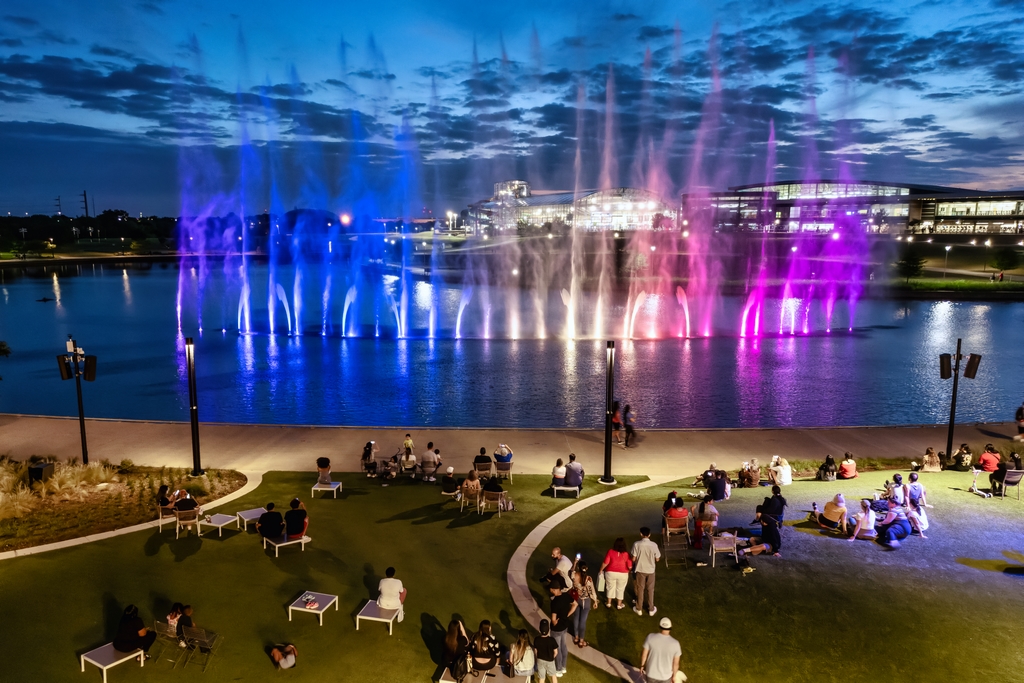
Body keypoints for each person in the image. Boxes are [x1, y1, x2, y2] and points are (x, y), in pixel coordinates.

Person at [640, 617, 682, 683]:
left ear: (660, 626)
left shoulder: (650, 637)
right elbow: (676, 664)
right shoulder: (676, 643)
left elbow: (644, 655)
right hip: (666, 677)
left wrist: (642, 666)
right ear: (670, 627)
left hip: (651, 674)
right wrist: (674, 676)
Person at [631, 527, 661, 617]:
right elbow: (657, 559)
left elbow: (633, 558)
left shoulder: (636, 544)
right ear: (649, 534)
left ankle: (639, 608)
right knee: (650, 589)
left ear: (641, 534)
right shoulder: (654, 545)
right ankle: (651, 609)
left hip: (640, 569)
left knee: (640, 589)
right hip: (651, 570)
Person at [548, 581, 576, 676]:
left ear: (554, 589)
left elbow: (553, 619)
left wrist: (554, 623)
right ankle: (564, 667)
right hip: (565, 626)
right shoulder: (566, 596)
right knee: (563, 646)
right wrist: (567, 614)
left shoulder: (554, 602)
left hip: (556, 629)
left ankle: (559, 669)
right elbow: (575, 604)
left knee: (557, 648)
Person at [599, 537, 633, 609]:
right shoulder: (626, 554)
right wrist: (629, 571)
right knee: (620, 589)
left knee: (610, 587)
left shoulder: (610, 551)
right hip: (623, 574)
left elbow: (605, 563)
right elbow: (630, 566)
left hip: (610, 573)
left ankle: (609, 603)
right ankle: (619, 605)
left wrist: (601, 570)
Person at [571, 561, 597, 648]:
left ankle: (576, 637)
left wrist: (575, 563)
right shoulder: (588, 579)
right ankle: (581, 641)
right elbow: (591, 590)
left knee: (576, 618)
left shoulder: (574, 576)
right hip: (586, 601)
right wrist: (595, 601)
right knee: (582, 621)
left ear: (579, 568)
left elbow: (571, 572)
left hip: (576, 600)